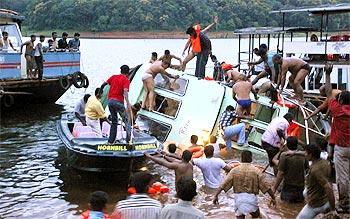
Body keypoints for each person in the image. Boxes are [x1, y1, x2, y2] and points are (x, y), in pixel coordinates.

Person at [213, 150, 276, 219]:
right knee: (256, 215)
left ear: (241, 159)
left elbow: (224, 184)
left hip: (239, 200)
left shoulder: (234, 171)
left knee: (240, 216)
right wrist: (273, 197)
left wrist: (216, 195)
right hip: (251, 200)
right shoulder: (256, 171)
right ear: (251, 159)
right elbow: (266, 186)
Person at [296, 144, 336, 219]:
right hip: (325, 200)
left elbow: (328, 187)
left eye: (306, 153)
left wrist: (333, 209)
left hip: (315, 205)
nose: (304, 154)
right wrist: (294, 152)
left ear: (310, 155)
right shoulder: (325, 162)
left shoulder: (315, 170)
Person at [328, 90, 350, 213]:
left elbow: (328, 92)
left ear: (341, 101)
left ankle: (344, 204)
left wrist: (327, 74)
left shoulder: (338, 110)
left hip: (342, 148)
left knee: (343, 177)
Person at [100, 65, 132, 143]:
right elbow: (125, 91)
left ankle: (111, 141)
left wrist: (100, 91)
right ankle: (129, 141)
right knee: (127, 121)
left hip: (110, 102)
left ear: (121, 71)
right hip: (118, 102)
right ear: (127, 73)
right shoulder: (126, 80)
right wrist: (128, 103)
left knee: (114, 122)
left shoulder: (113, 77)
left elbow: (103, 84)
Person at [272, 136, 309, 203]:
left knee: (284, 208)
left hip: (288, 187)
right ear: (297, 145)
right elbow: (307, 169)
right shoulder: (303, 156)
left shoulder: (285, 155)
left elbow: (280, 173)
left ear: (287, 145)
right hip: (300, 187)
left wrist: (274, 188)